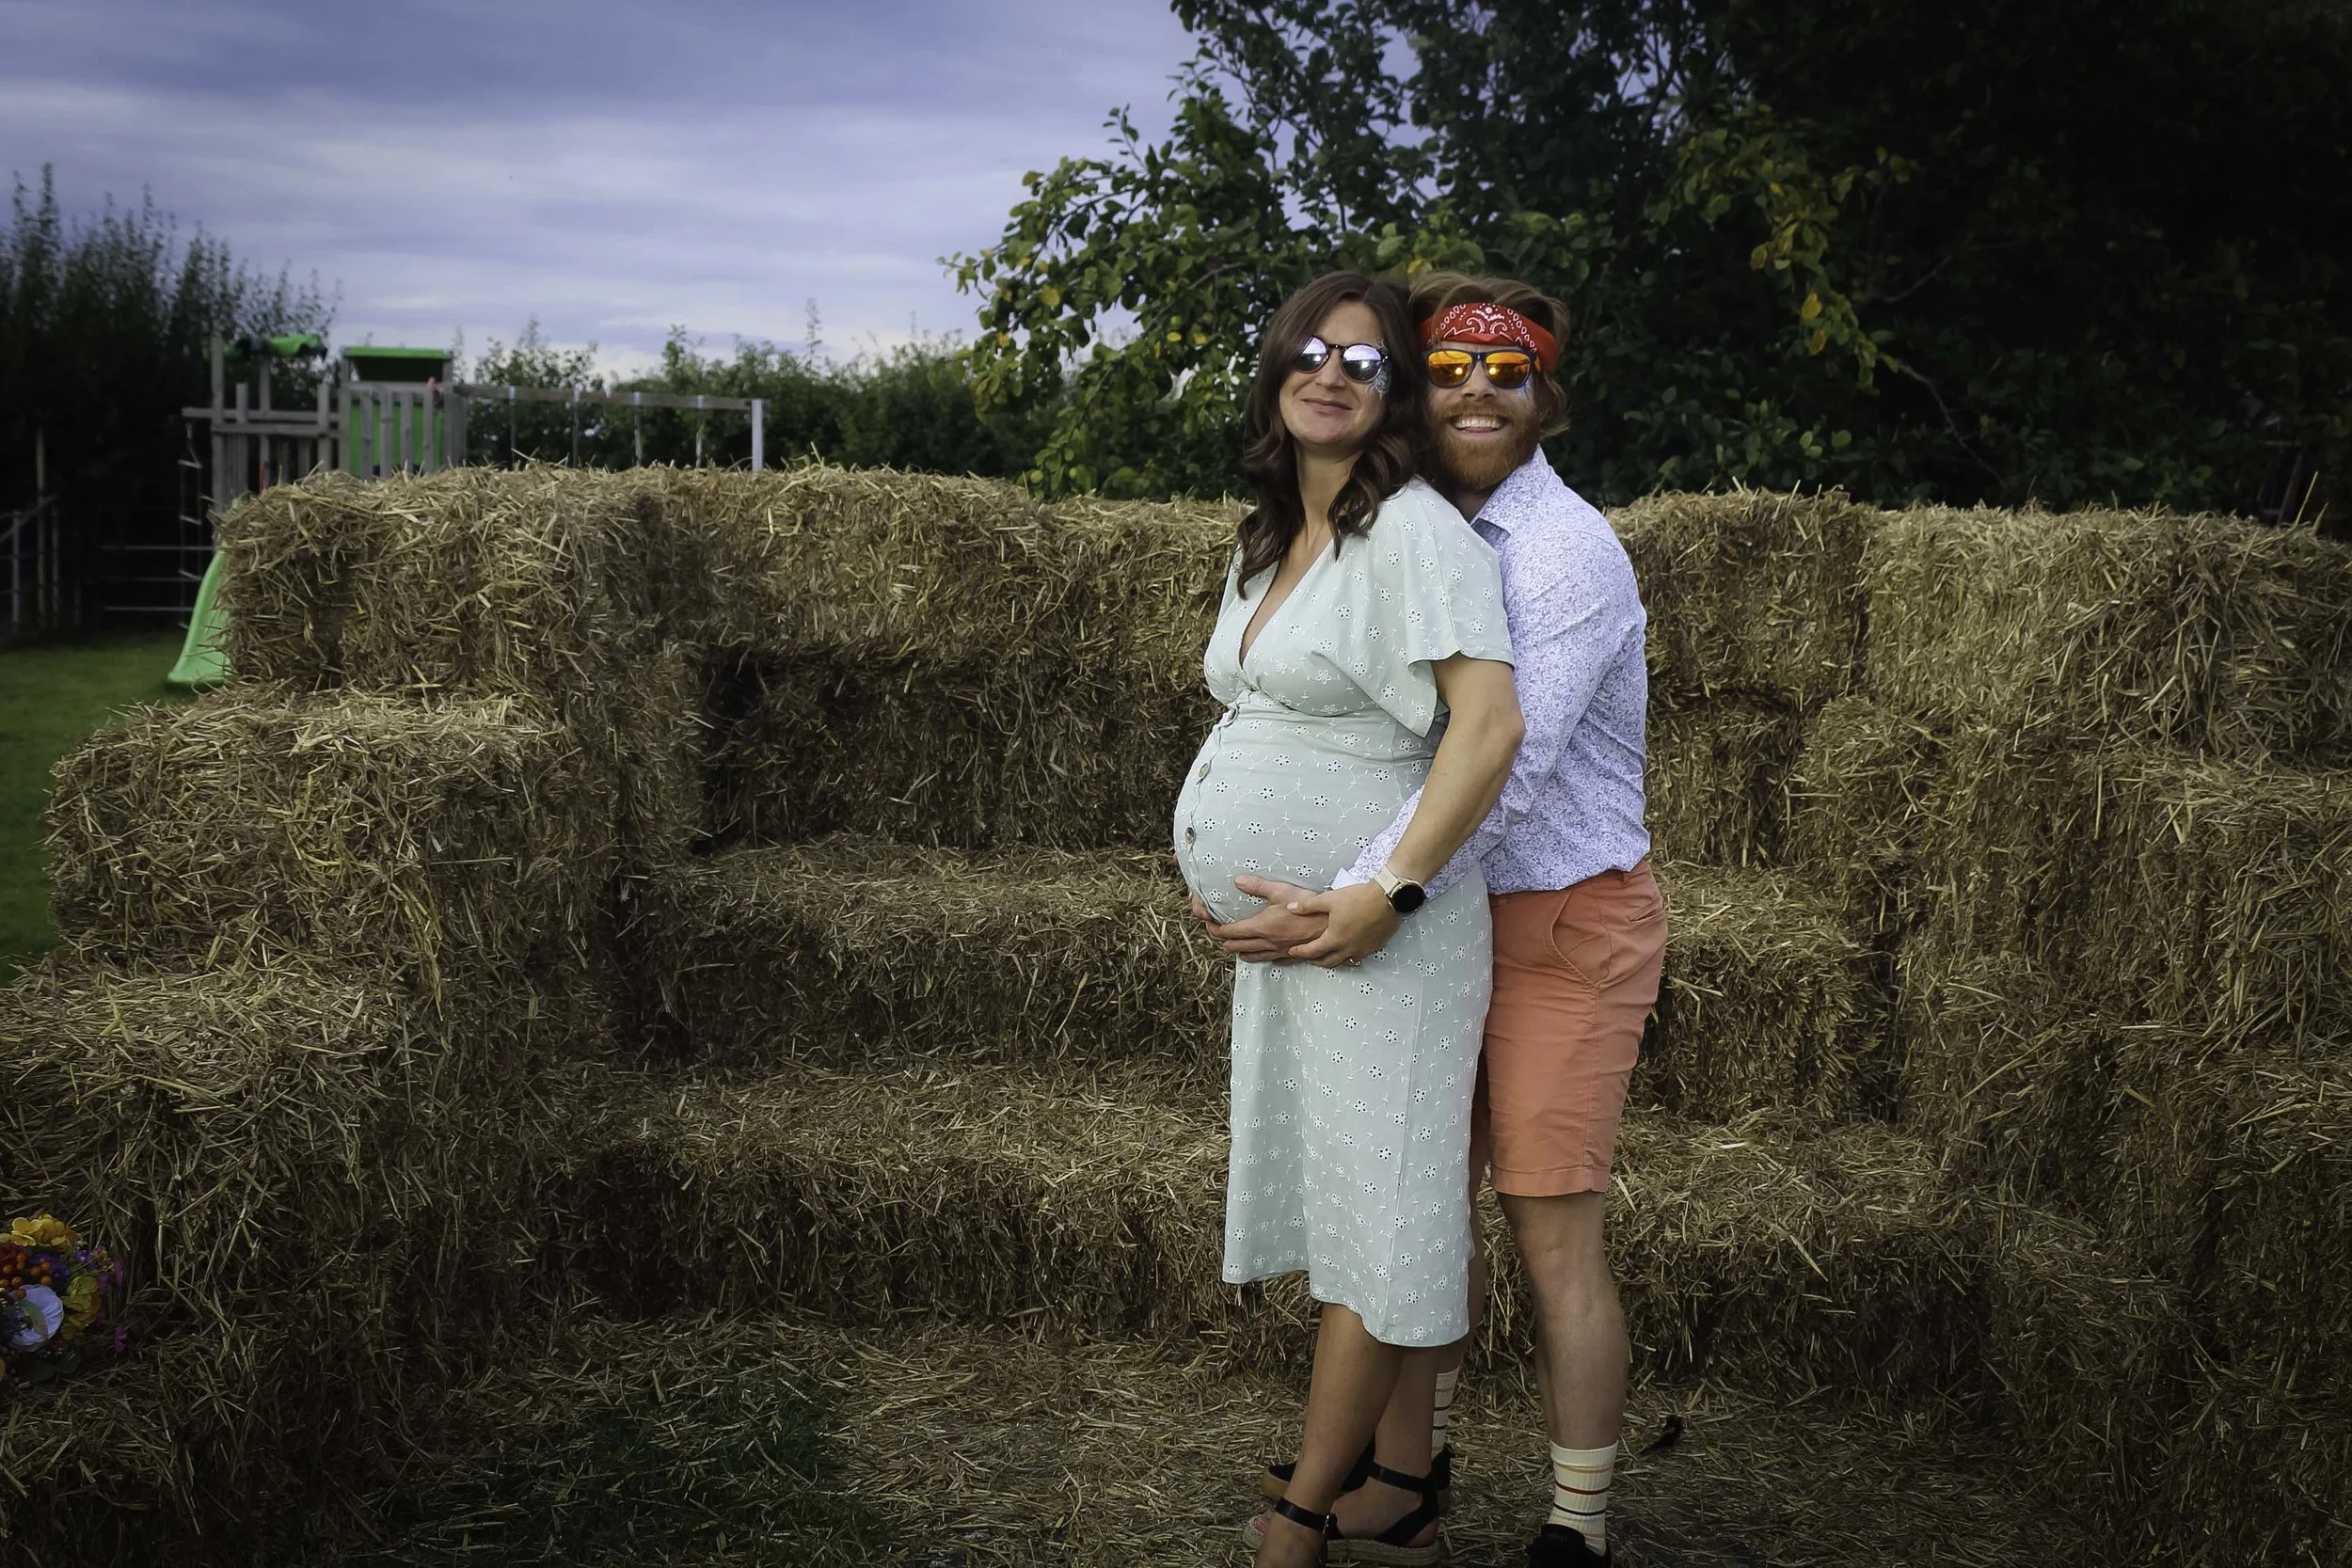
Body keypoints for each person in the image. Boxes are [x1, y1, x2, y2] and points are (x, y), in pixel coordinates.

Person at [1200, 273, 1661, 1568]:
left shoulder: (1562, 551)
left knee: (1550, 1231)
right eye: (1449, 368)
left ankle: (1577, 1525)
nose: (1475, 393)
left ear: (1546, 398)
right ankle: (1406, 1479)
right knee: (1414, 1212)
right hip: (1442, 920)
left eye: (1506, 375)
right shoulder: (1404, 521)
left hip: (1556, 923)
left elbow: (1497, 761)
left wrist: (1360, 893)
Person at [1171, 270, 1524, 1568]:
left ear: (1392, 397)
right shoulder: (1273, 533)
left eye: (1365, 362)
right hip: (1303, 949)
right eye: (1311, 352)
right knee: (1351, 1215)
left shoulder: (1416, 532)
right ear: (1275, 370)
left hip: (1387, 944)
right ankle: (1382, 1495)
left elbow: (1489, 727)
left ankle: (1305, 1514)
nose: (1331, 374)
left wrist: (1389, 894)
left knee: (1380, 1224)